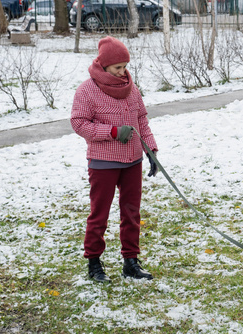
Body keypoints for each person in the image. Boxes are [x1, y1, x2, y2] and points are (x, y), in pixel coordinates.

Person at [71, 36, 159, 283]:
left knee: (131, 212)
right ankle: (94, 263)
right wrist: (111, 132)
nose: (123, 72)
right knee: (99, 214)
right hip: (103, 163)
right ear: (104, 66)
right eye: (117, 68)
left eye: (125, 67)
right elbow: (78, 123)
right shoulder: (87, 90)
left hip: (132, 161)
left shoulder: (131, 89)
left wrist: (151, 150)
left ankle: (130, 262)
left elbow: (141, 120)